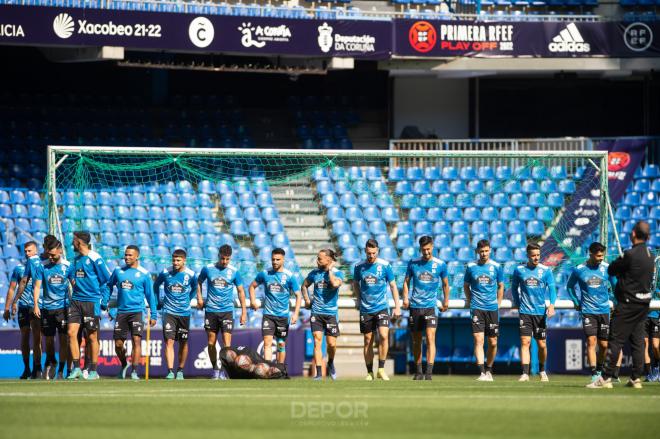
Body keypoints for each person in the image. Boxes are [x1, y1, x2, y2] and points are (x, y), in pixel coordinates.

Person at [588, 221, 655, 389]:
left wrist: (622, 261)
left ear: (633, 234)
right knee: (638, 342)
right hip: (643, 305)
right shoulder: (650, 255)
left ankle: (605, 378)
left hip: (627, 305)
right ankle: (636, 378)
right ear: (648, 236)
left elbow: (611, 270)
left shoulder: (630, 254)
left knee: (615, 340)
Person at [566, 242, 617, 382]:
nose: (601, 258)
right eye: (598, 255)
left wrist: (618, 302)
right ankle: (594, 373)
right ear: (591, 253)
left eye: (603, 255)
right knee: (591, 340)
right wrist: (576, 302)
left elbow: (615, 286)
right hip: (588, 311)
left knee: (604, 345)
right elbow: (569, 287)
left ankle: (600, 369)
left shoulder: (607, 268)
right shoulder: (579, 269)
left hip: (604, 310)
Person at [352, 239, 401, 381]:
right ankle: (369, 372)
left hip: (381, 307)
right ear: (365, 251)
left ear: (377, 251)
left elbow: (392, 286)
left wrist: (397, 306)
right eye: (368, 253)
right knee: (368, 340)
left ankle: (381, 369)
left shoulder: (385, 266)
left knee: (384, 336)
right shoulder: (359, 266)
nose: (371, 256)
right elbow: (355, 283)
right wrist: (359, 298)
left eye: (373, 253)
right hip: (366, 309)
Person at [402, 235, 449, 381]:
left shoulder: (440, 264)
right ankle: (418, 371)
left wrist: (445, 300)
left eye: (428, 249)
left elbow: (446, 284)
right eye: (424, 250)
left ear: (432, 247)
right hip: (415, 306)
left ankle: (429, 373)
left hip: (430, 307)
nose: (426, 252)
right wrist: (405, 298)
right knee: (416, 340)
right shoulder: (413, 263)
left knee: (430, 338)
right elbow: (406, 282)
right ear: (420, 249)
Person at [196, 245, 247, 380]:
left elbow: (241, 291)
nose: (225, 262)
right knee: (211, 343)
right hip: (211, 311)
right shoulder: (208, 268)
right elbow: (199, 282)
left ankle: (225, 371)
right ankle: (215, 370)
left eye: (227, 259)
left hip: (227, 311)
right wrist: (199, 298)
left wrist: (244, 312)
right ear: (218, 256)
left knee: (227, 344)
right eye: (223, 258)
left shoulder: (234, 272)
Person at [66, 231, 112, 380]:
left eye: (74, 240)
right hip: (76, 301)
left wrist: (104, 300)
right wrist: (74, 282)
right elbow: (70, 274)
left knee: (92, 337)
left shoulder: (95, 258)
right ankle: (77, 368)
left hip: (91, 301)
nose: (72, 243)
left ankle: (93, 370)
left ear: (79, 242)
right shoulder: (75, 260)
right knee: (71, 333)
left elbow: (107, 280)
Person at [107, 245, 157, 380]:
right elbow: (109, 286)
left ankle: (134, 371)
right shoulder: (118, 271)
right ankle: (124, 364)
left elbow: (150, 296)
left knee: (136, 341)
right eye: (126, 255)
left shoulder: (144, 274)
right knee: (118, 345)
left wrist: (153, 314)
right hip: (121, 312)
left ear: (137, 256)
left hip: (137, 312)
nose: (127, 257)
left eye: (130, 255)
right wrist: (107, 304)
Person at [511, 243, 557, 382]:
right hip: (525, 311)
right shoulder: (519, 270)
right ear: (528, 256)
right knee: (525, 342)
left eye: (538, 255)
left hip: (540, 312)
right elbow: (514, 288)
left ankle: (542, 370)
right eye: (533, 255)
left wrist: (552, 305)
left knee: (542, 344)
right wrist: (518, 304)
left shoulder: (546, 271)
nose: (536, 258)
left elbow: (552, 289)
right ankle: (525, 373)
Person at [248, 248, 301, 364]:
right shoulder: (265, 273)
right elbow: (252, 286)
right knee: (267, 343)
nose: (275, 262)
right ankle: (267, 369)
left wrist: (296, 314)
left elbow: (298, 295)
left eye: (278, 259)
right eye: (273, 259)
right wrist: (252, 301)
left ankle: (280, 369)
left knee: (281, 344)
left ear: (283, 260)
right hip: (268, 315)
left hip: (283, 316)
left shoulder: (289, 276)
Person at [154, 249, 198, 380]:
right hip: (168, 311)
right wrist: (157, 302)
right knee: (169, 341)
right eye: (173, 260)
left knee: (183, 343)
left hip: (184, 312)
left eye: (178, 260)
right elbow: (155, 285)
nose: (175, 262)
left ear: (184, 260)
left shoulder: (191, 274)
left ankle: (180, 370)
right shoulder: (165, 272)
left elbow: (195, 288)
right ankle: (170, 371)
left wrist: (188, 301)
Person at [463, 239, 504, 382]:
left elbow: (500, 286)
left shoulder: (497, 267)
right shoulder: (471, 267)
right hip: (477, 308)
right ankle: (481, 373)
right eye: (481, 251)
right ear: (477, 252)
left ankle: (489, 370)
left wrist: (498, 303)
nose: (484, 254)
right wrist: (470, 300)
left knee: (493, 342)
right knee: (478, 340)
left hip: (492, 309)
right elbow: (466, 285)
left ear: (490, 250)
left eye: (486, 251)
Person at [31, 238, 71, 380]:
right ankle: (52, 360)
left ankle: (61, 369)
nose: (51, 257)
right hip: (47, 308)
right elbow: (36, 286)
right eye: (49, 255)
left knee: (63, 339)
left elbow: (74, 285)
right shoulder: (42, 266)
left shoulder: (68, 266)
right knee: (48, 341)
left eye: (53, 255)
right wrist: (36, 304)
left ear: (60, 250)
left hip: (63, 309)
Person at [302, 249, 344, 381]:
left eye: (320, 258)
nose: (317, 260)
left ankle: (330, 362)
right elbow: (304, 286)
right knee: (317, 341)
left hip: (331, 313)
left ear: (328, 260)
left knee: (331, 344)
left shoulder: (338, 273)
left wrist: (330, 270)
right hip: (316, 312)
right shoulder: (314, 273)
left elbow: (335, 284)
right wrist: (307, 300)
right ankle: (319, 373)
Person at [3, 241, 42, 379]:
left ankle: (38, 368)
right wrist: (7, 307)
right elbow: (12, 288)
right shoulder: (19, 269)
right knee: (25, 337)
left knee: (37, 338)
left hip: (36, 306)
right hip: (23, 307)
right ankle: (27, 368)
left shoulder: (40, 265)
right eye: (25, 251)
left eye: (30, 251)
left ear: (35, 251)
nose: (27, 253)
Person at [643, 287, 660, 381]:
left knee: (655, 346)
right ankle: (649, 374)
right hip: (643, 316)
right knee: (644, 344)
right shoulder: (642, 275)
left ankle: (657, 367)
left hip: (656, 315)